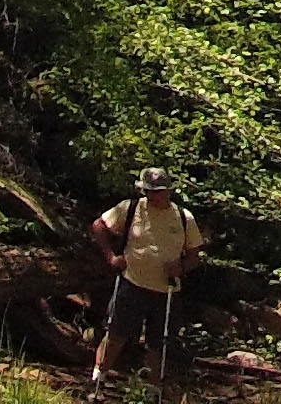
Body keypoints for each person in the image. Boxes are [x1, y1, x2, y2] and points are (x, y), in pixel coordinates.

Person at [89, 166, 205, 393]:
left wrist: (181, 268)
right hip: (131, 283)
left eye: (158, 191)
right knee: (115, 334)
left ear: (168, 191)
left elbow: (195, 255)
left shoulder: (183, 217)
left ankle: (153, 391)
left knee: (159, 344)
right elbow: (99, 226)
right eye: (149, 191)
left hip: (166, 291)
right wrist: (112, 257)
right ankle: (97, 381)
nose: (153, 196)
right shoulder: (130, 208)